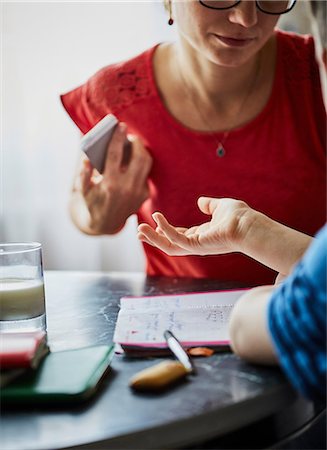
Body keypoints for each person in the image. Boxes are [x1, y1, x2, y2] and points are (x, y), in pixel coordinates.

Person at [137, 0, 327, 402]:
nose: (245, 19)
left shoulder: (303, 76)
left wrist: (276, 291)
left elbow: (263, 322)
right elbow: (87, 213)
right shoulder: (119, 91)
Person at [61, 0, 326, 285]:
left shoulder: (319, 75)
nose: (246, 19)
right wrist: (95, 216)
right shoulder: (115, 94)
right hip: (174, 316)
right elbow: (80, 206)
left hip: (305, 316)